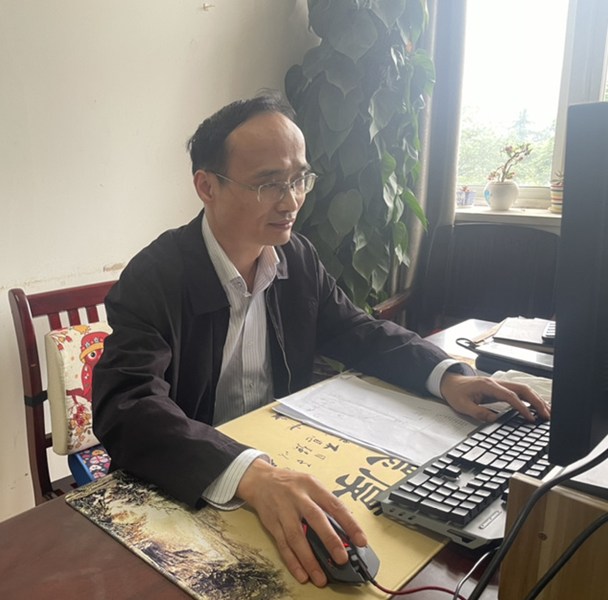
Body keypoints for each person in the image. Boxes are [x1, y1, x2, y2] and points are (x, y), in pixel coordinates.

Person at [92, 92, 549, 588]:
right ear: (207, 186)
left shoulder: (296, 259)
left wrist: (447, 376)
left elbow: (357, 330)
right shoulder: (156, 277)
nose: (291, 201)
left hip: (283, 462)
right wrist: (249, 473)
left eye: (299, 179)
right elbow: (128, 406)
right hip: (192, 480)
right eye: (268, 183)